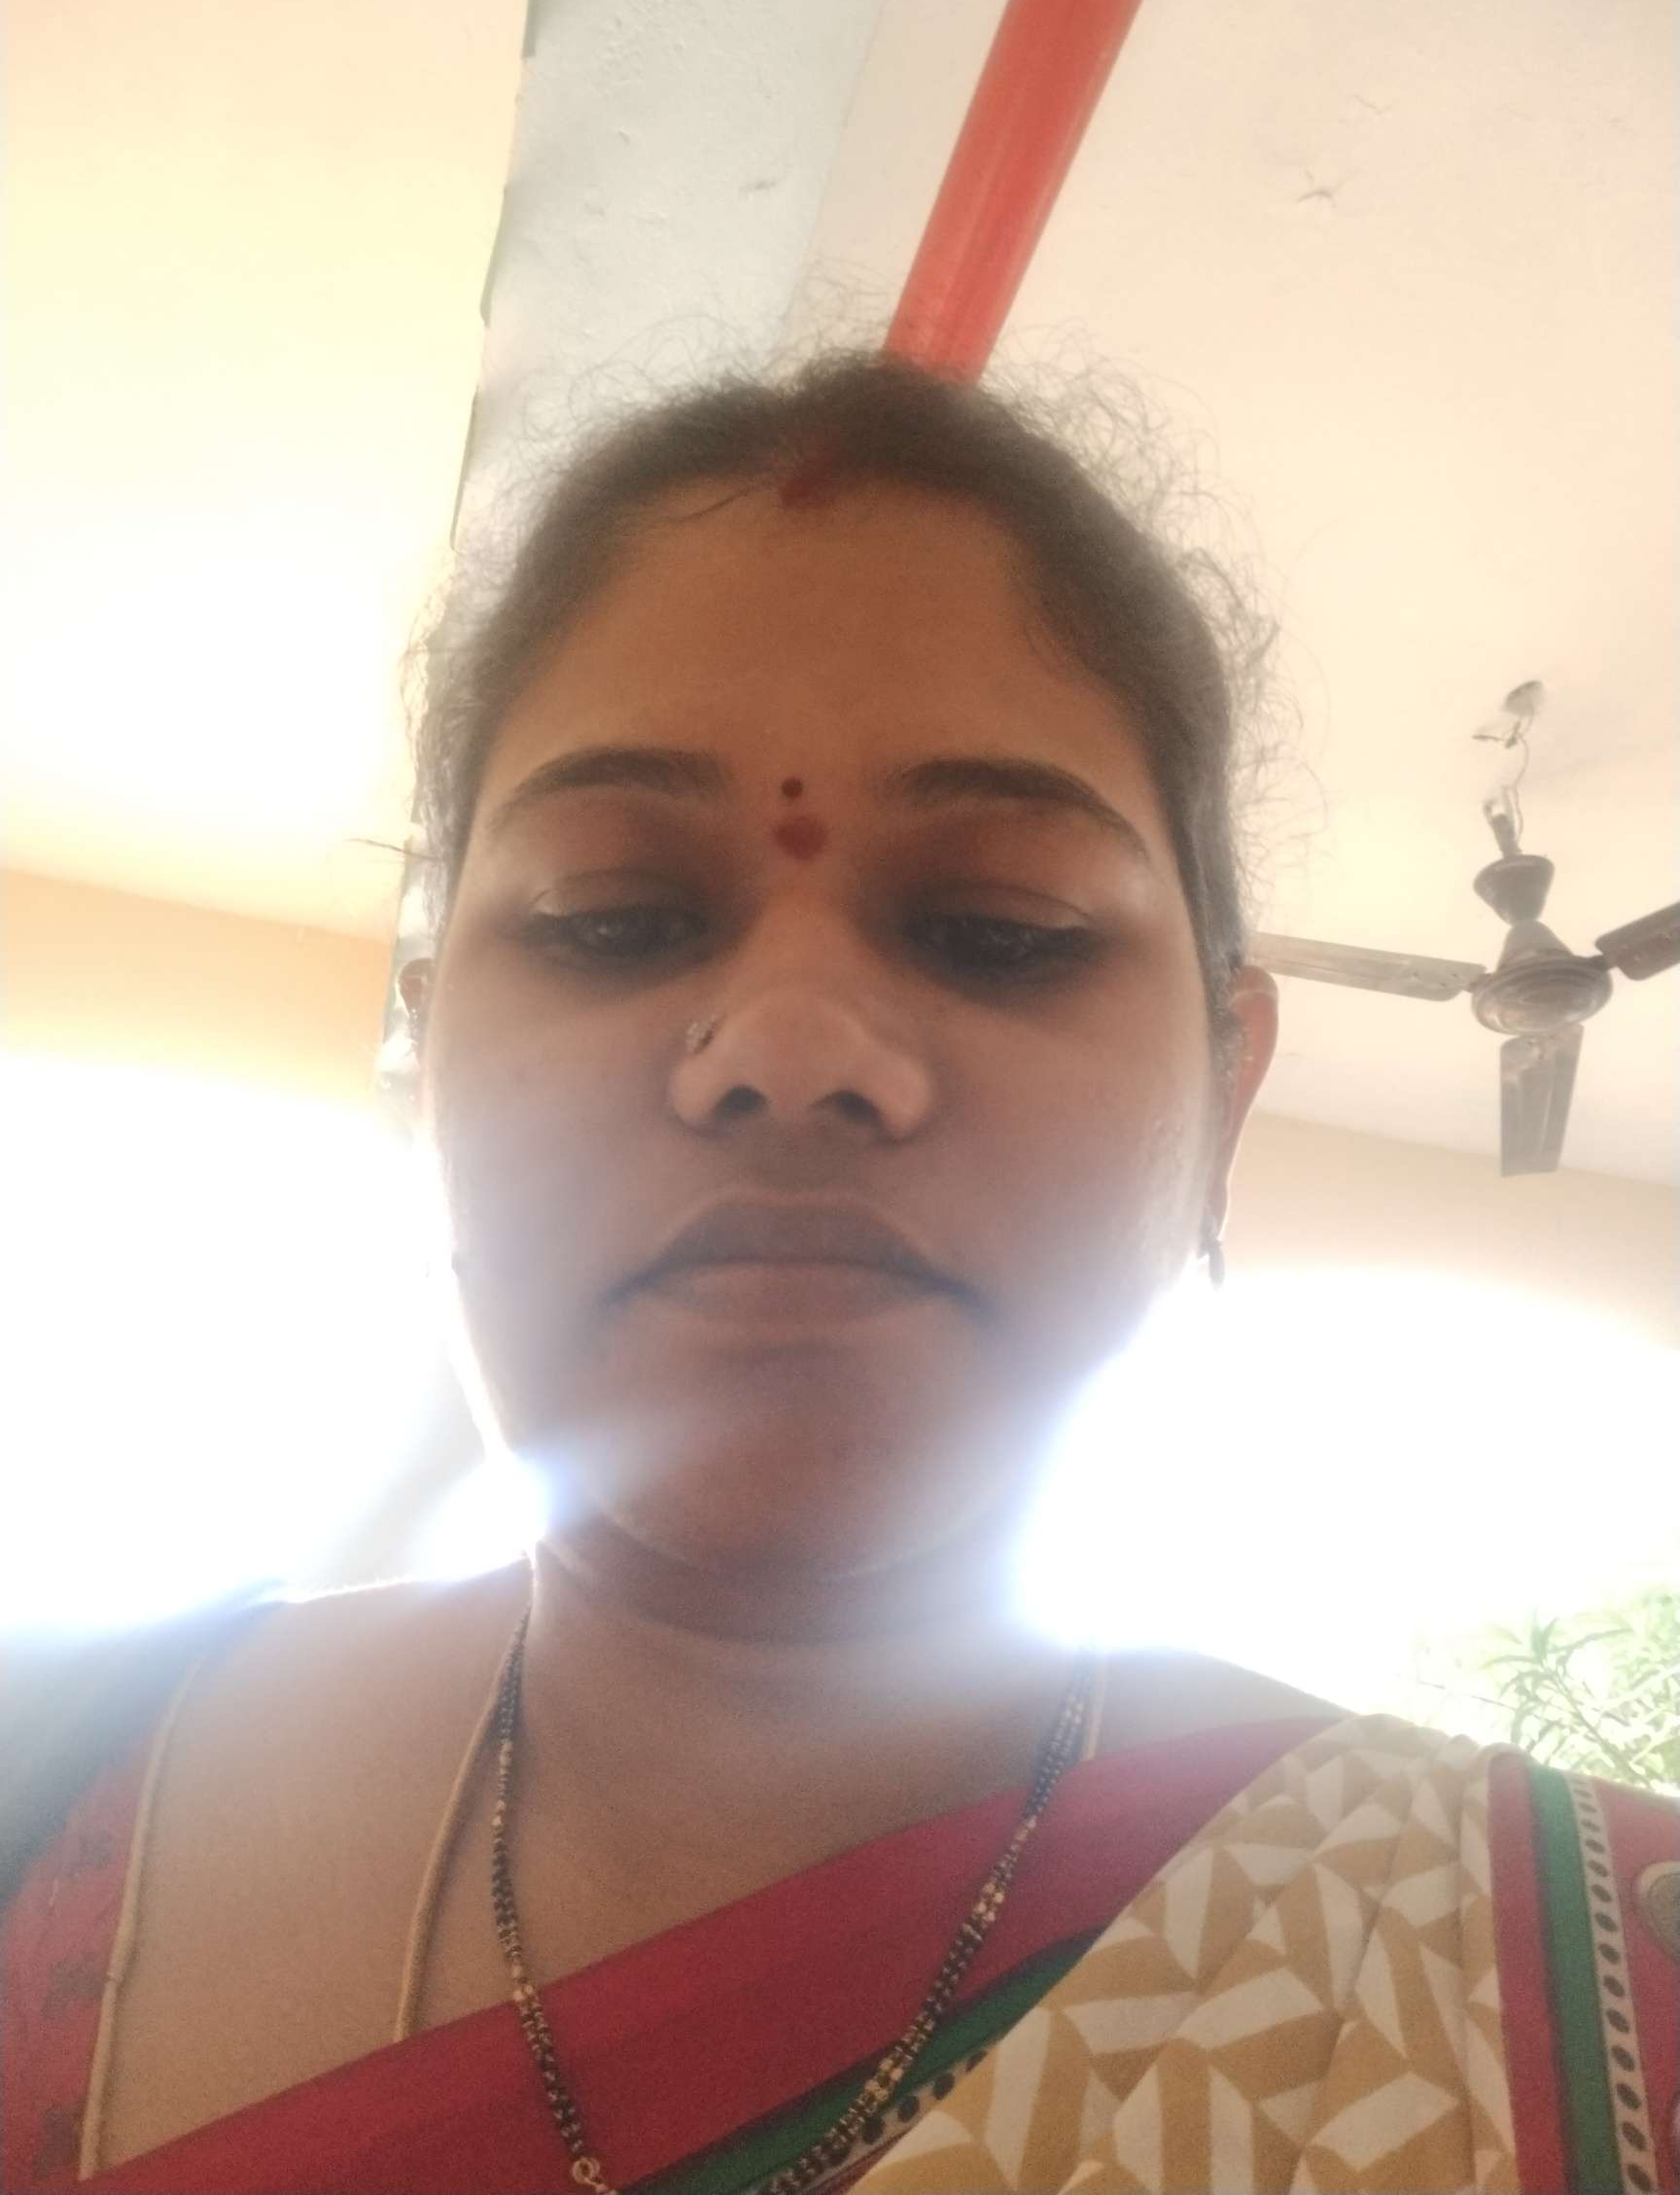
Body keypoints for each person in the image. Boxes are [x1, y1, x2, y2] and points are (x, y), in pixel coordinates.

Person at [3, 355, 1675, 2195]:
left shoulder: (1578, 1991)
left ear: (1224, 1094)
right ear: (430, 1073)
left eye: (997, 928)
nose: (792, 1045)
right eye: (614, 917)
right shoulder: (36, 1776)